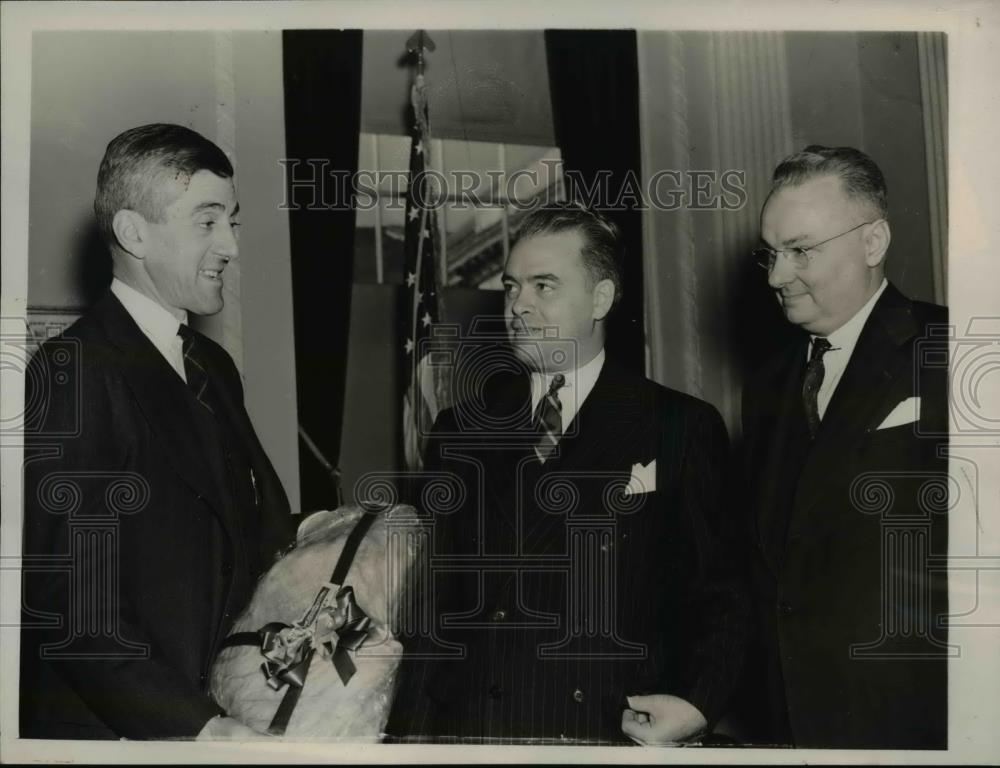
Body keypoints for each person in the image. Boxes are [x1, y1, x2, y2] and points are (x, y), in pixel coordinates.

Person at [388, 202, 749, 744]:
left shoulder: (678, 426)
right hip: (475, 735)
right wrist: (408, 746)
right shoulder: (459, 430)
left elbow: (720, 594)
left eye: (544, 286)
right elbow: (434, 611)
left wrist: (698, 705)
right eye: (512, 287)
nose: (518, 306)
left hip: (608, 732)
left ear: (600, 297)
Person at [20, 124, 296, 740]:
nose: (230, 244)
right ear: (133, 232)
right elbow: (71, 599)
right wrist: (198, 728)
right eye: (207, 221)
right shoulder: (73, 371)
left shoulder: (212, 366)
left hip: (220, 713)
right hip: (123, 735)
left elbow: (244, 534)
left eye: (232, 220)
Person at [740, 146, 949, 748]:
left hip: (922, 725)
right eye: (771, 254)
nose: (776, 277)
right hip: (794, 724)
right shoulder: (766, 386)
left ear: (872, 242)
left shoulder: (956, 353)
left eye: (801, 250)